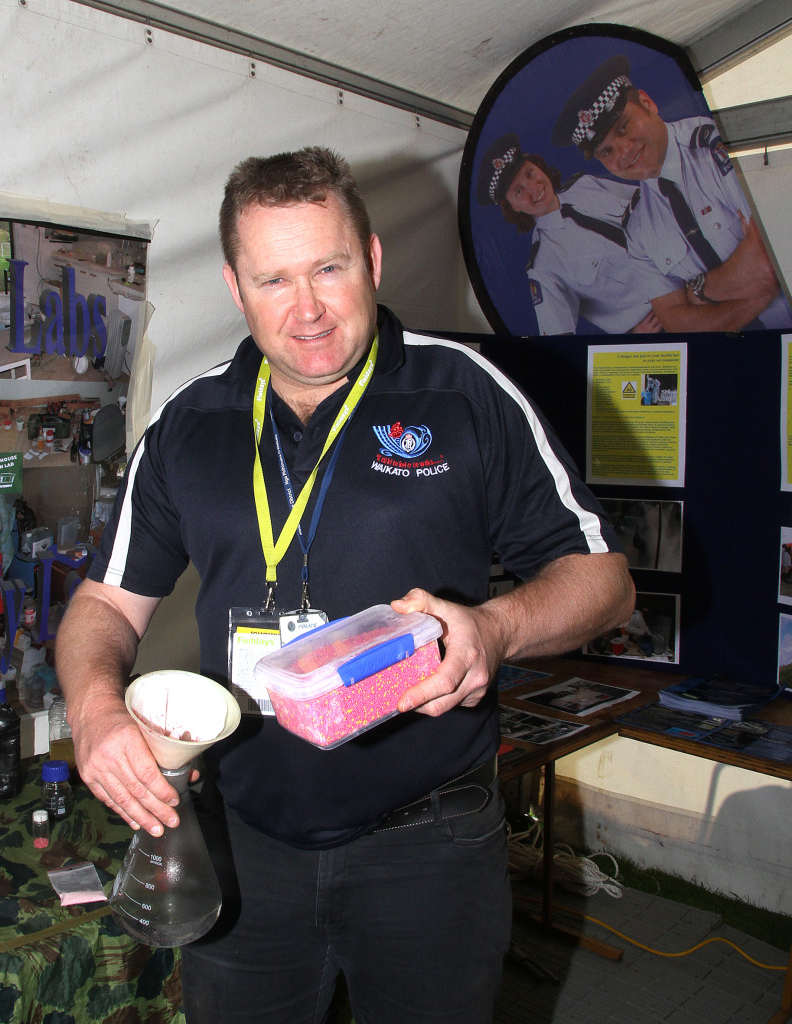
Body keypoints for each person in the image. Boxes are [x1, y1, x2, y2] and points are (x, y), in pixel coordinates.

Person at [55, 146, 635, 1023]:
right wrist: (95, 711)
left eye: (327, 267)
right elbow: (102, 605)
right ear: (233, 285)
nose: (308, 309)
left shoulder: (463, 393)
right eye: (274, 279)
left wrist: (494, 628)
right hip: (245, 844)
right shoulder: (192, 424)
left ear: (369, 258)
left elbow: (603, 581)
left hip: (428, 846)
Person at [553, 55, 792, 333]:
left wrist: (696, 293)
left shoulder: (716, 146)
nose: (623, 152)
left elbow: (767, 265)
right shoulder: (637, 225)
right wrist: (755, 294)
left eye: (623, 127)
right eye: (606, 151)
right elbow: (677, 323)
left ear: (647, 103)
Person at [476, 131, 665, 334]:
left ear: (538, 167)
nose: (533, 187)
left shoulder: (585, 185)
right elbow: (559, 341)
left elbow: (649, 202)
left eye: (530, 173)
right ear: (513, 207)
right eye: (519, 191)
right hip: (660, 323)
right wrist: (633, 338)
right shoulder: (544, 265)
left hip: (689, 280)